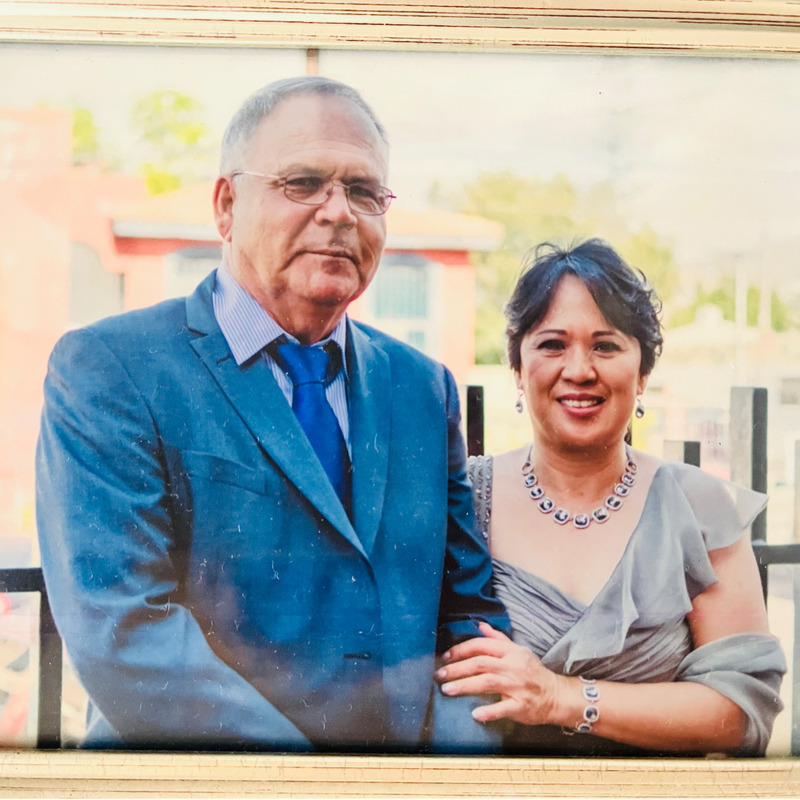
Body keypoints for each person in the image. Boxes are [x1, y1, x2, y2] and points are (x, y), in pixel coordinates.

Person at [35, 76, 509, 752]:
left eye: (364, 191)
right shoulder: (112, 369)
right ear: (226, 206)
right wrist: (314, 787)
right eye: (303, 183)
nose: (338, 212)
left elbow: (469, 621)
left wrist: (451, 769)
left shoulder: (422, 387)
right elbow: (126, 637)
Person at [435, 239, 786, 756]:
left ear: (642, 373)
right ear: (517, 368)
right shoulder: (461, 498)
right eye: (552, 345)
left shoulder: (698, 508)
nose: (579, 369)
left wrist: (559, 697)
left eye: (606, 346)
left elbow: (742, 712)